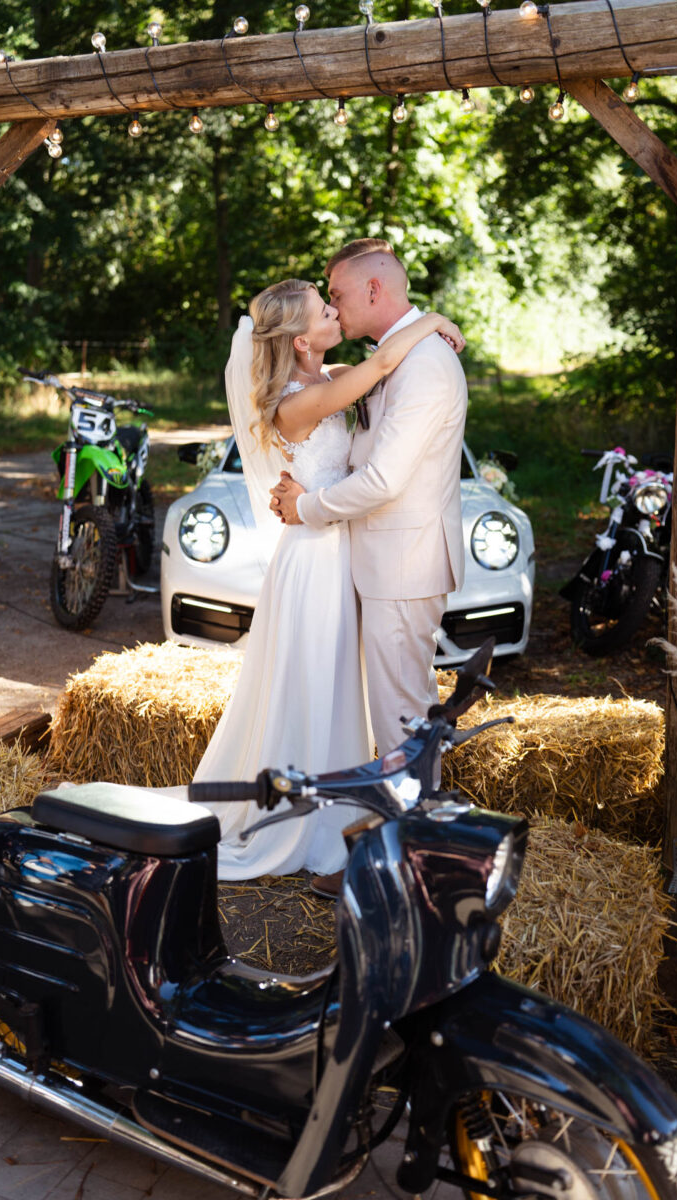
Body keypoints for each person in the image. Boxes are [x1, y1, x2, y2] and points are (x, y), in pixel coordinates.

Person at [192, 276, 465, 884]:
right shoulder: (298, 400)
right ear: (297, 339)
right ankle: (308, 823)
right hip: (314, 558)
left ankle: (345, 810)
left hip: (339, 546)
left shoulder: (327, 377)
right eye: (324, 310)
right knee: (318, 680)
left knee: (341, 681)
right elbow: (387, 358)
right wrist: (432, 320)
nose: (334, 313)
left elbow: (380, 376)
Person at [271, 240, 469, 893]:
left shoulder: (425, 366)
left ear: (376, 292)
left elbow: (382, 479)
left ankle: (407, 868)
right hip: (377, 561)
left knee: (404, 716)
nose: (335, 306)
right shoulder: (395, 357)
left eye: (341, 295)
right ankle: (394, 848)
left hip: (404, 563)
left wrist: (308, 506)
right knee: (391, 715)